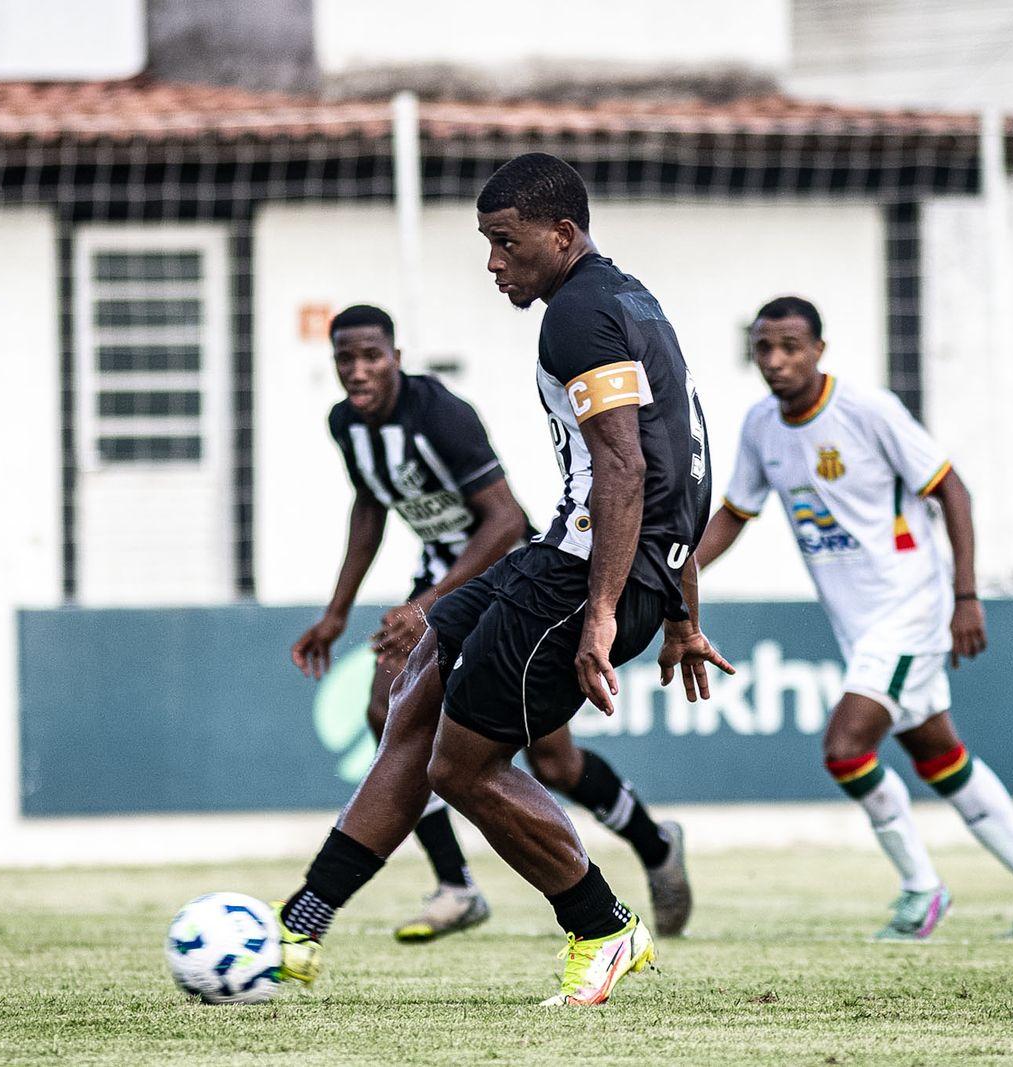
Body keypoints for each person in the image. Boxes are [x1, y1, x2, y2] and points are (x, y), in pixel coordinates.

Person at [272, 152, 731, 1006]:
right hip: (573, 556)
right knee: (414, 690)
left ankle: (600, 925)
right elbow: (679, 463)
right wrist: (678, 605)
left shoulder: (577, 318)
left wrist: (606, 609)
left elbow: (630, 470)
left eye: (503, 242)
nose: (493, 263)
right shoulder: (624, 298)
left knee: (462, 767)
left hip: (582, 575)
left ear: (561, 235)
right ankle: (303, 918)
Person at [292, 303, 695, 943]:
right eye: (346, 359)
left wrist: (426, 604)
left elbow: (506, 518)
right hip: (443, 585)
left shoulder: (440, 415)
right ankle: (455, 884)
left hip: (515, 582)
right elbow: (370, 503)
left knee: (553, 764)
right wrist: (336, 613)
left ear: (396, 356)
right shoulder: (347, 424)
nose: (359, 370)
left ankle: (652, 845)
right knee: (391, 708)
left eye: (372, 356)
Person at [696, 296, 1013, 940]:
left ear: (819, 349)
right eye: (764, 347)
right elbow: (737, 512)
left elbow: (951, 488)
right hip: (861, 623)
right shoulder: (762, 425)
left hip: (911, 609)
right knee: (940, 756)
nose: (776, 360)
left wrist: (965, 596)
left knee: (845, 749)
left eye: (790, 346)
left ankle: (920, 889)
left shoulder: (867, 411)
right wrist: (683, 568)